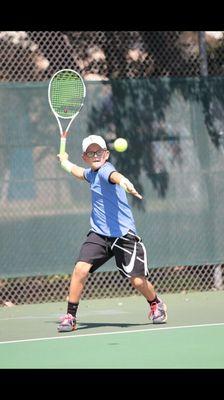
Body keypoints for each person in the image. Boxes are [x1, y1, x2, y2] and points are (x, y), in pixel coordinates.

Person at [57, 134, 167, 332]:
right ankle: (70, 316)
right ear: (85, 157)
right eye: (91, 153)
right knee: (80, 269)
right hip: (99, 234)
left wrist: (125, 183)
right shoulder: (91, 174)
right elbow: (77, 172)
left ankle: (156, 303)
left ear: (106, 154)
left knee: (137, 281)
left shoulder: (106, 170)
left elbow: (115, 176)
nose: (95, 155)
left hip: (124, 235)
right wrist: (64, 161)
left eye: (99, 151)